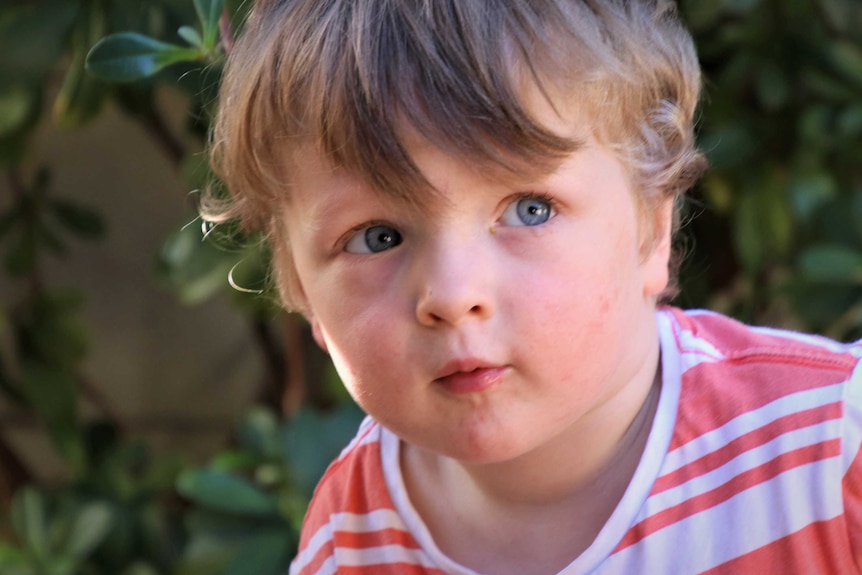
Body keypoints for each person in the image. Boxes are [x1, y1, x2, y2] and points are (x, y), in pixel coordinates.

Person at [206, 0, 862, 573]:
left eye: (529, 210)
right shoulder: (347, 542)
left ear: (652, 229)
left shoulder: (833, 450)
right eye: (378, 236)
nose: (452, 294)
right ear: (301, 290)